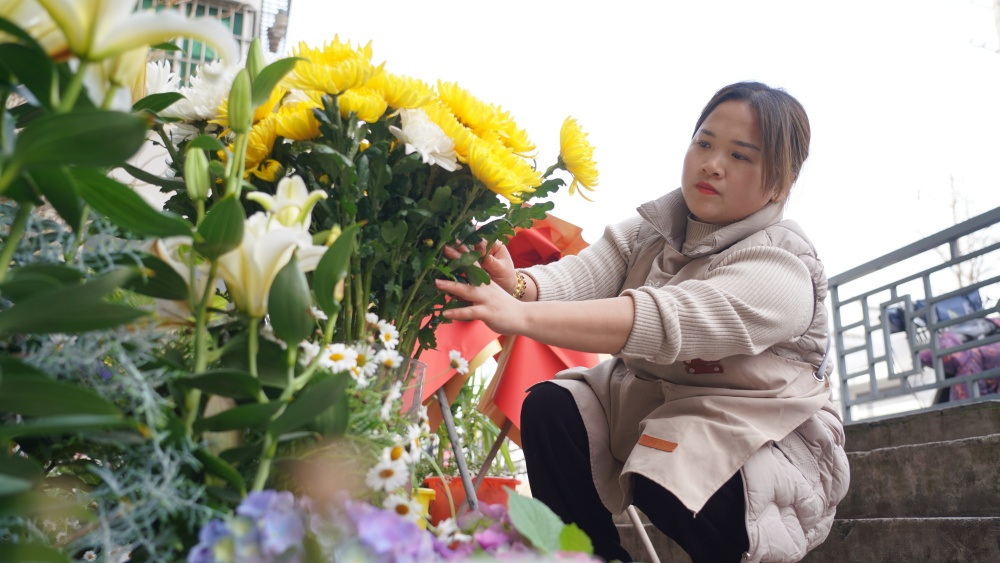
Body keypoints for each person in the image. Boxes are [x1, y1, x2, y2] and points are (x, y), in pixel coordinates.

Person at [435, 81, 850, 563]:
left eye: (740, 156)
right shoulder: (652, 230)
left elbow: (665, 318)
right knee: (553, 407)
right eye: (704, 143)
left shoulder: (783, 269)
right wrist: (518, 284)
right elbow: (582, 276)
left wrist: (521, 316)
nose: (712, 164)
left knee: (668, 455)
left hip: (761, 438)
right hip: (657, 409)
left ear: (779, 182)